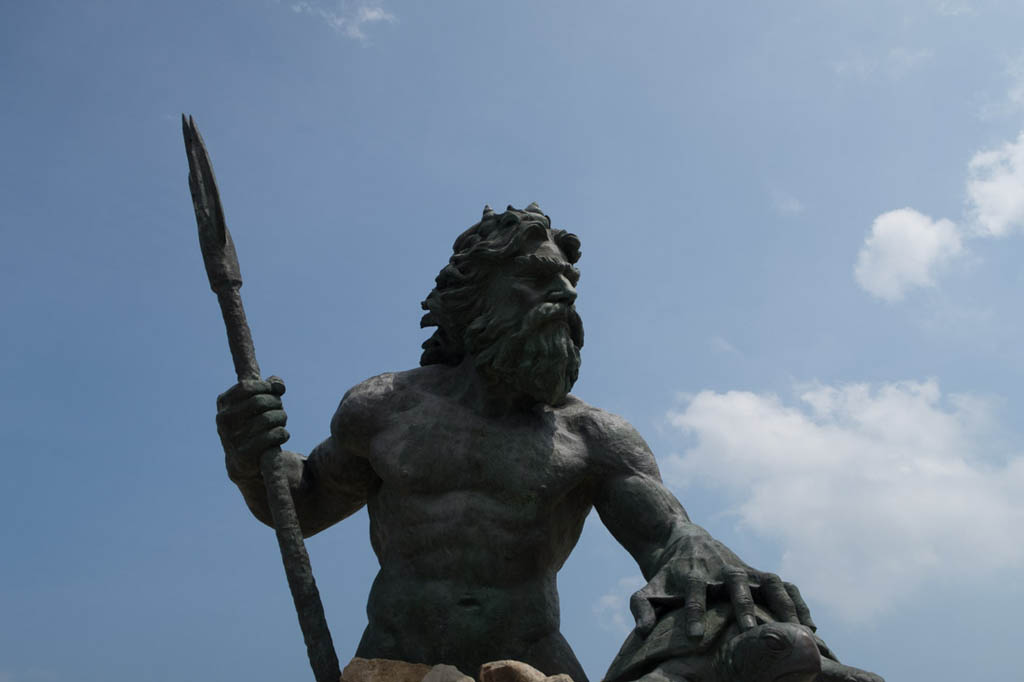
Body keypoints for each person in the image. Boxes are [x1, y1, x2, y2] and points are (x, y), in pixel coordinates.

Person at [215, 204, 852, 682]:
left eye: (570, 282)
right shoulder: (385, 407)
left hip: (532, 666)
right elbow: (297, 508)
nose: (566, 294)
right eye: (538, 277)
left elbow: (667, 538)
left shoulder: (592, 435)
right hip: (393, 663)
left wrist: (708, 559)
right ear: (475, 294)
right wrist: (251, 457)